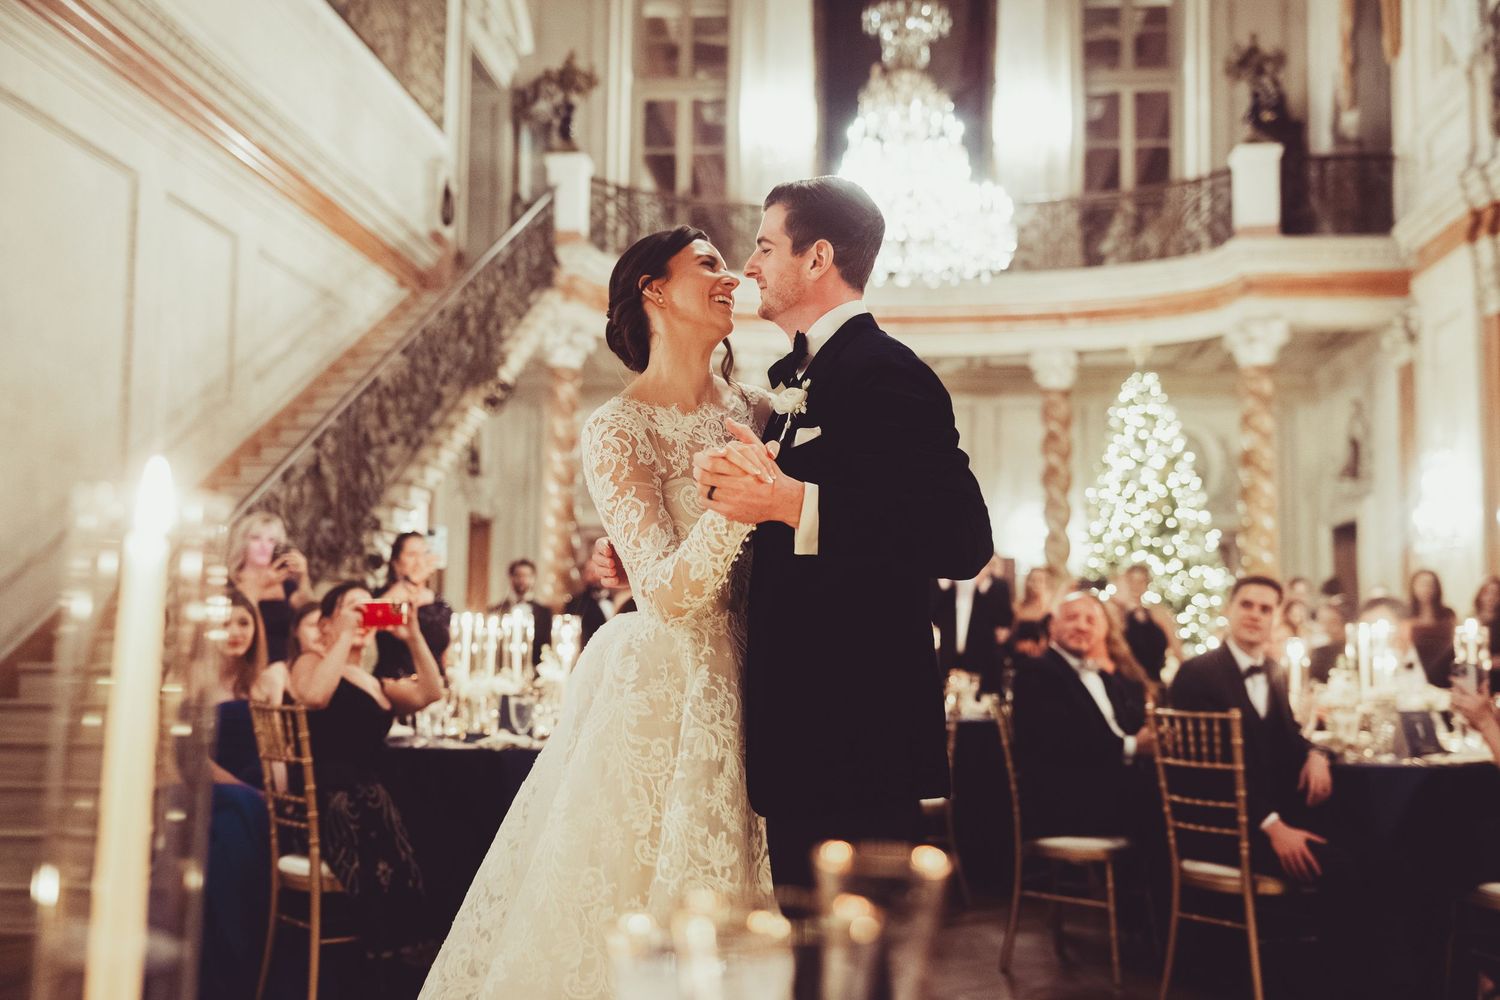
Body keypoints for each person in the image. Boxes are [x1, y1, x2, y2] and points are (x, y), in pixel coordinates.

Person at [421, 227, 776, 999]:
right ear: (654, 289)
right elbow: (665, 592)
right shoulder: (617, 427)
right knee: (630, 899)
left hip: (764, 680)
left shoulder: (760, 410)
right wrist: (737, 504)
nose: (731, 278)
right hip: (666, 688)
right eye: (709, 264)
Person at [289, 582, 443, 953]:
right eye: (351, 608)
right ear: (326, 623)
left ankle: (407, 945)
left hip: (371, 796)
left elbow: (431, 693)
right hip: (326, 800)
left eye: (367, 609)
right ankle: (385, 948)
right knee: (364, 804)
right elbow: (315, 696)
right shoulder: (310, 663)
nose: (361, 617)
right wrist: (343, 637)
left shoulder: (376, 682)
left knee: (416, 811)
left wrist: (413, 635)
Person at [1011, 591, 1156, 839]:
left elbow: (1129, 725)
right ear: (1052, 625)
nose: (1082, 626)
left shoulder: (1101, 675)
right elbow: (1058, 743)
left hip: (1110, 788)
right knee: (1164, 806)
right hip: (1068, 800)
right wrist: (1133, 745)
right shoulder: (1036, 671)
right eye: (1072, 618)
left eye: (1091, 620)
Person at [200, 588, 286, 1000]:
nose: (235, 631)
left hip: (258, 796)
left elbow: (276, 753)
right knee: (230, 822)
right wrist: (244, 791)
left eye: (244, 622)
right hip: (211, 791)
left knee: (243, 820)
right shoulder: (197, 682)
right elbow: (192, 758)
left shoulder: (263, 682)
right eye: (226, 622)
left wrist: (276, 793)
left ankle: (243, 969)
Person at [227, 512, 314, 664]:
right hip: (242, 664)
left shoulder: (287, 585)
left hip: (283, 666)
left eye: (271, 540)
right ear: (243, 542)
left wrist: (303, 577)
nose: (264, 546)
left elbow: (309, 614)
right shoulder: (230, 582)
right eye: (256, 538)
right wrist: (261, 585)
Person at [373, 532, 453, 682]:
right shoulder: (387, 595)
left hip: (433, 684)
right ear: (396, 562)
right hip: (396, 683)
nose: (419, 561)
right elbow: (375, 619)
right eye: (412, 555)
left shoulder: (439, 605)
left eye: (424, 554)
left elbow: (446, 654)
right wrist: (410, 583)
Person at [932, 553, 1014, 692]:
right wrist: (945, 582)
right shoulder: (945, 584)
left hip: (981, 659)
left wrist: (983, 584)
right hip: (948, 656)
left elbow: (1003, 620)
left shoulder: (996, 586)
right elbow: (932, 611)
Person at [1106, 564, 1183, 683]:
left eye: (1141, 581)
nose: (1135, 586)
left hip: (1156, 680)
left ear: (1147, 585)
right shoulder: (1115, 613)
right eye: (1131, 580)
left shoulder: (1158, 613)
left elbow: (1177, 650)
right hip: (1126, 682)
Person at [489, 558, 551, 665]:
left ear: (534, 579)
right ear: (511, 578)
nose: (522, 580)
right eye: (518, 575)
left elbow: (546, 646)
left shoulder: (544, 613)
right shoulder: (496, 611)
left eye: (527, 576)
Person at [1404, 568, 1457, 685]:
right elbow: (1404, 649)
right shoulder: (1407, 616)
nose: (1426, 589)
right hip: (1418, 673)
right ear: (1413, 587)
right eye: (1422, 584)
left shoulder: (1448, 614)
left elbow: (1457, 643)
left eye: (1430, 584)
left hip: (1446, 672)